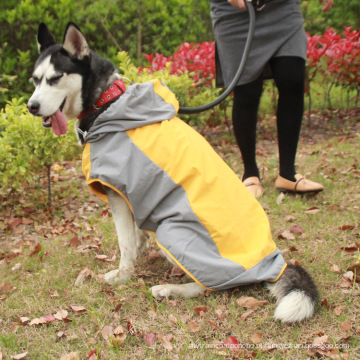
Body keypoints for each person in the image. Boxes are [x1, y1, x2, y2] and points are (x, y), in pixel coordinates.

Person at [210, 0, 333, 198]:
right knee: (247, 93)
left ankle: (288, 173)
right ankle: (250, 173)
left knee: (292, 77)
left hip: (282, 8)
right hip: (235, 12)